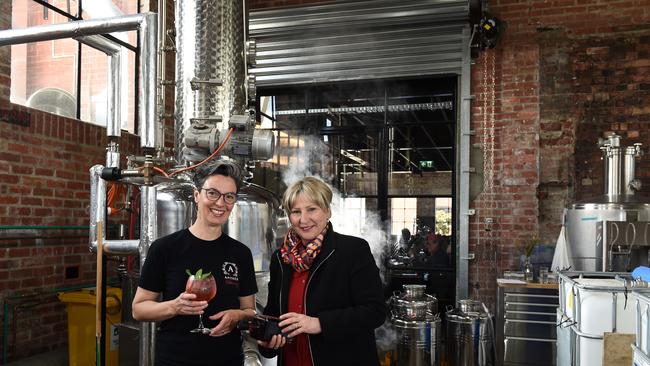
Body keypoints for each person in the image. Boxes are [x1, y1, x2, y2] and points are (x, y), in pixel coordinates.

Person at [132, 161, 258, 366]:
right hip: (175, 359)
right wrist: (175, 306)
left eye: (229, 196)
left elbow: (250, 311)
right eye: (213, 193)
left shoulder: (240, 253)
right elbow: (139, 309)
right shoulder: (165, 248)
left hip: (227, 359)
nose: (220, 203)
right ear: (197, 195)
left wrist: (237, 315)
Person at [257, 176, 387, 366]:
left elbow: (375, 312)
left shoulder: (353, 250)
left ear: (328, 211)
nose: (303, 219)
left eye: (312, 209)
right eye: (295, 212)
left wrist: (319, 323)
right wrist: (269, 342)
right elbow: (273, 315)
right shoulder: (281, 258)